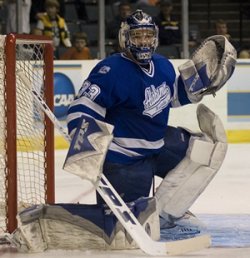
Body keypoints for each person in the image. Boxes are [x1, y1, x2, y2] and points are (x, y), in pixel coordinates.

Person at [66, 9, 236, 237]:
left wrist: (197, 86)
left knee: (205, 151)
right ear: (125, 38)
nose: (143, 41)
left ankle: (168, 213)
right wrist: (84, 141)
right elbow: (83, 107)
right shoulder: (110, 70)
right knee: (124, 229)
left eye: (147, 35)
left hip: (157, 147)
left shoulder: (163, 64)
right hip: (124, 161)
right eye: (137, 36)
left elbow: (172, 96)